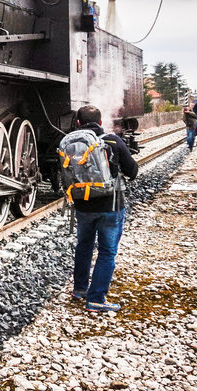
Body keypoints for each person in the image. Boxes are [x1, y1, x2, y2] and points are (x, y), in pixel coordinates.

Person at [69, 104, 139, 314]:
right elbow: (132, 171)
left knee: (84, 246)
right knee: (107, 252)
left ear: (78, 123)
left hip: (82, 205)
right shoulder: (112, 140)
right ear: (100, 122)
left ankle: (79, 289)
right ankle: (97, 298)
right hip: (111, 205)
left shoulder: (71, 144)